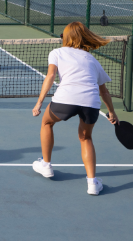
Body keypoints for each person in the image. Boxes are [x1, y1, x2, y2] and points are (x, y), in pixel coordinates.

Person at [31, 21, 119, 195]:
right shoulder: (93, 60)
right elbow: (104, 91)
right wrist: (112, 112)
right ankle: (92, 183)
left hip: (66, 99)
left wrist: (39, 101)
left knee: (47, 123)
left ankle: (46, 165)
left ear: (66, 37)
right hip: (91, 103)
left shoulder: (57, 52)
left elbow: (50, 76)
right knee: (86, 138)